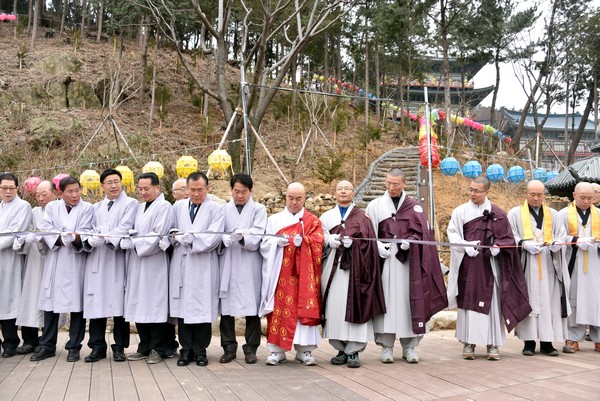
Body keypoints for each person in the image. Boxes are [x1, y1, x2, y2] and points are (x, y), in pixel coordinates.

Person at [366, 168, 448, 364]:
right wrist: (376, 245)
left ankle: (410, 346)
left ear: (404, 184)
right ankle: (386, 347)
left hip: (409, 264)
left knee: (409, 301)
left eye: (395, 184)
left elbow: (424, 236)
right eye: (388, 183)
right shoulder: (375, 205)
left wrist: (411, 242)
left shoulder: (415, 207)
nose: (391, 187)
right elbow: (367, 232)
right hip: (385, 262)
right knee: (386, 302)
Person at [447, 176, 531, 361]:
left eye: (477, 191)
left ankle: (492, 344)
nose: (472, 194)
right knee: (468, 304)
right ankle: (469, 343)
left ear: (487, 192)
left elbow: (508, 239)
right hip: (469, 266)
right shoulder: (460, 211)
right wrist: (465, 246)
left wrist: (497, 248)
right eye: (470, 189)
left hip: (490, 267)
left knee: (492, 304)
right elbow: (452, 235)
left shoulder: (498, 214)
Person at [320, 180, 386, 368]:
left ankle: (354, 351)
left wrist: (355, 245)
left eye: (346, 189)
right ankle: (340, 349)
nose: (343, 192)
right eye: (339, 189)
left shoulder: (362, 217)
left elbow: (370, 244)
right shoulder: (326, 216)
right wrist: (327, 240)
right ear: (334, 193)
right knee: (335, 309)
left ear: (353, 193)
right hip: (332, 268)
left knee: (355, 305)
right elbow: (318, 239)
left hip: (355, 272)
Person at [260, 182, 324, 366]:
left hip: (304, 274)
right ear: (285, 197)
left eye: (298, 198)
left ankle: (304, 350)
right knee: (279, 307)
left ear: (305, 199)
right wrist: (276, 244)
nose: (294, 202)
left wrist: (305, 241)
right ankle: (276, 350)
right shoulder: (274, 220)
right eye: (290, 198)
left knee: (303, 308)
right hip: (281, 273)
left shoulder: (312, 221)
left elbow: (319, 242)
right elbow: (264, 244)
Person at [30, 176, 94, 362]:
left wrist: (73, 238)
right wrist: (60, 238)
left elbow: (85, 231)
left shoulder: (87, 208)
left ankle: (74, 346)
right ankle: (47, 345)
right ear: (60, 193)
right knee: (50, 306)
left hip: (76, 262)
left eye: (77, 190)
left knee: (77, 307)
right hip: (56, 260)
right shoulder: (51, 207)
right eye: (70, 192)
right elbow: (46, 229)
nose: (75, 195)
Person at [507, 180, 569, 356]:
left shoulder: (553, 214)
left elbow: (561, 235)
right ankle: (528, 342)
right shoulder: (515, 214)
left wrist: (558, 245)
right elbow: (510, 235)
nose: (536, 198)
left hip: (549, 264)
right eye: (532, 194)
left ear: (544, 195)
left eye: (539, 194)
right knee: (529, 301)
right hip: (527, 264)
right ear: (526, 194)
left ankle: (547, 342)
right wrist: (523, 244)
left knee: (549, 302)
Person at [82, 169, 138, 362]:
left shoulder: (131, 204)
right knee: (96, 306)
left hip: (117, 259)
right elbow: (87, 229)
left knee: (118, 307)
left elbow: (126, 227)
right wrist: (91, 239)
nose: (114, 186)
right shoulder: (96, 207)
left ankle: (119, 347)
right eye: (109, 182)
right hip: (97, 260)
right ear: (102, 186)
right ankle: (97, 347)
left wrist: (106, 235)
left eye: (117, 181)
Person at [169, 172, 224, 367]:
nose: (195, 193)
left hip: (203, 265)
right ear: (186, 189)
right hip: (182, 263)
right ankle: (186, 351)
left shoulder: (216, 210)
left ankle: (201, 351)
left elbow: (214, 236)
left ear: (207, 189)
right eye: (192, 190)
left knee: (202, 309)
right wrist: (176, 236)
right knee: (183, 311)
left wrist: (193, 240)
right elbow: (171, 229)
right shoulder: (178, 207)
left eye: (200, 190)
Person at [123, 172, 174, 365]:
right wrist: (130, 238)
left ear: (157, 188)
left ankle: (158, 348)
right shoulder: (139, 207)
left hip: (154, 263)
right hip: (137, 263)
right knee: (139, 303)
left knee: (155, 304)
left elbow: (158, 234)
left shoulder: (164, 206)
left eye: (147, 188)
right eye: (140, 189)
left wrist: (136, 242)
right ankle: (144, 346)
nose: (143, 192)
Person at [218, 173, 267, 365]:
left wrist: (244, 238)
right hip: (229, 261)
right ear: (231, 190)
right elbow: (218, 231)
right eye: (236, 191)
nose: (239, 195)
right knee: (227, 308)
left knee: (251, 307)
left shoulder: (258, 209)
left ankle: (251, 348)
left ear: (250, 191)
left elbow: (259, 233)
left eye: (243, 192)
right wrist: (224, 239)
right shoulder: (223, 209)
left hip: (249, 263)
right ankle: (229, 347)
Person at [14, 181, 57, 355]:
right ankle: (30, 340)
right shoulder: (33, 212)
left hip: (50, 260)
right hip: (33, 260)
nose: (40, 198)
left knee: (48, 301)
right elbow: (24, 231)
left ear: (55, 193)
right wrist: (24, 239)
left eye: (44, 194)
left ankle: (47, 342)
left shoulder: (58, 210)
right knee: (29, 299)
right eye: (37, 195)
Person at [557, 182, 600, 353]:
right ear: (574, 195)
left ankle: (598, 338)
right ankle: (573, 337)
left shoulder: (599, 214)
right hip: (572, 262)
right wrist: (576, 241)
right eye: (583, 198)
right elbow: (558, 237)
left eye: (590, 198)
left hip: (595, 263)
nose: (586, 201)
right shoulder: (563, 214)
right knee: (574, 299)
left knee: (597, 300)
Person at [0, 173, 32, 358]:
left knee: (9, 300)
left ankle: (11, 342)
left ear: (17, 188)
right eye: (4, 188)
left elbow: (13, 234)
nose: (8, 191)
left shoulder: (23, 206)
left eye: (11, 188)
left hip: (10, 260)